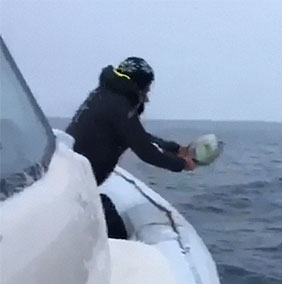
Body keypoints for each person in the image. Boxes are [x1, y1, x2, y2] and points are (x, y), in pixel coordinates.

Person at [66, 56, 196, 239]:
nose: (149, 91)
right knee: (115, 231)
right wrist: (181, 164)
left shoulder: (104, 96)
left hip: (73, 180)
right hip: (75, 190)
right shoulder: (119, 105)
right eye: (148, 86)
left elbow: (136, 135)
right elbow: (146, 151)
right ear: (139, 84)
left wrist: (173, 148)